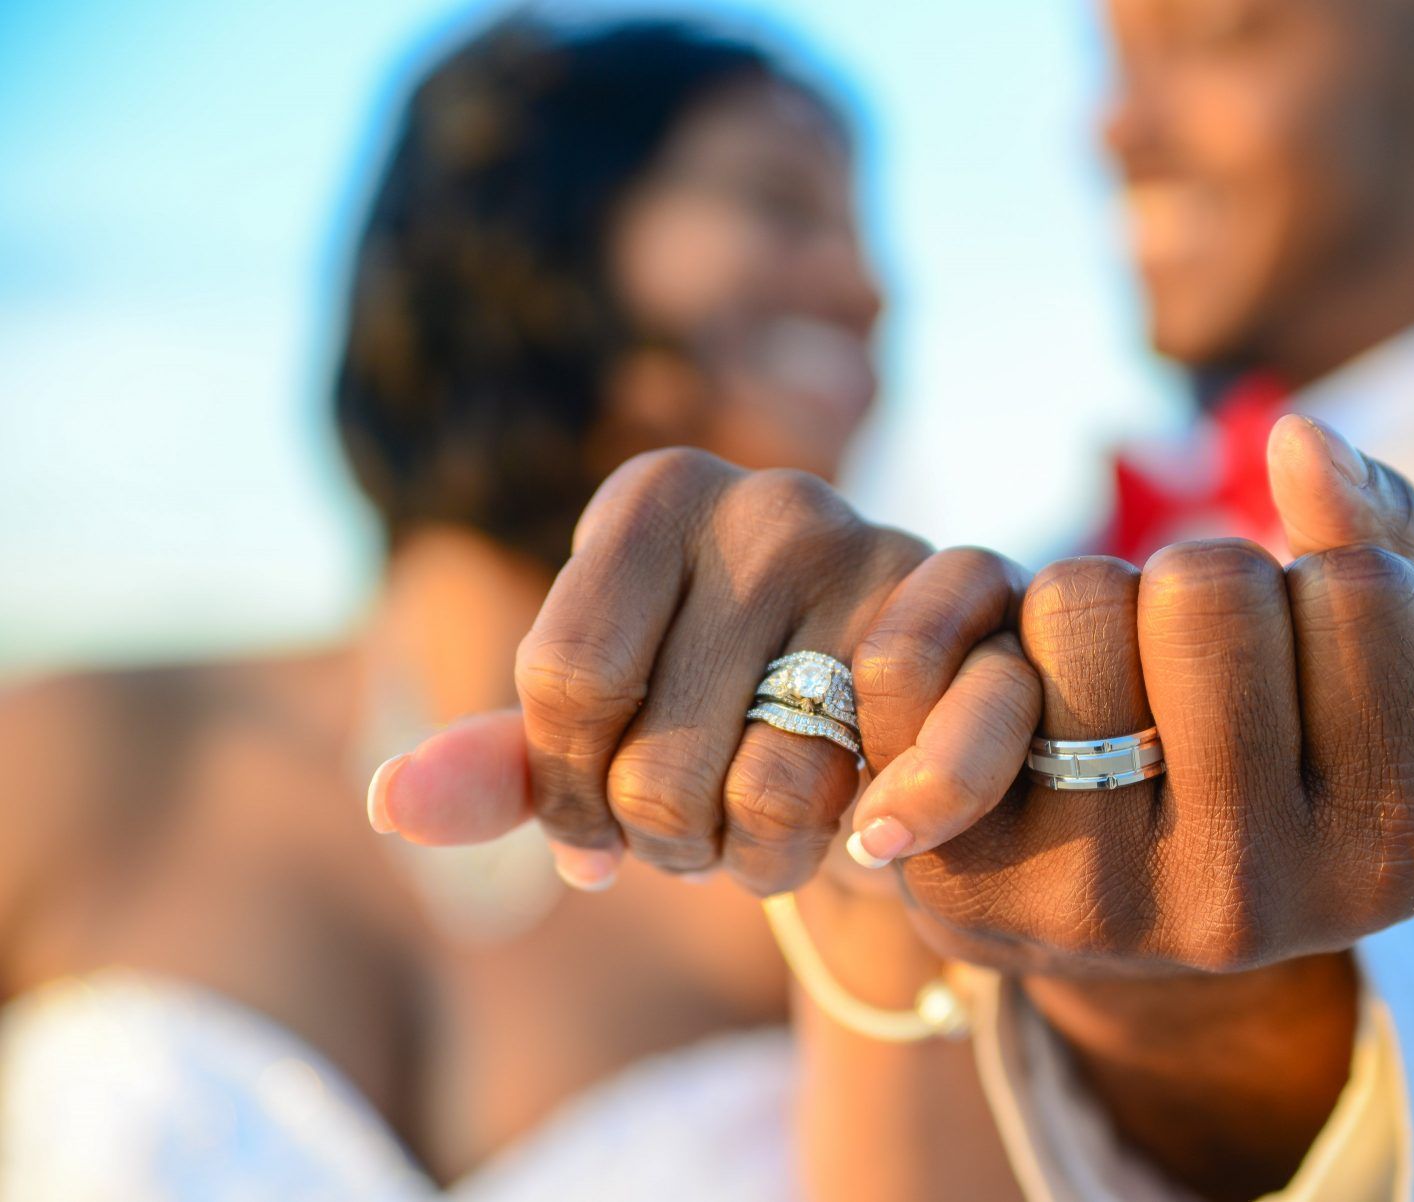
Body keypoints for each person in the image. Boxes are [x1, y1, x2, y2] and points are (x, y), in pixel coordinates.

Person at [376, 0, 1414, 1200]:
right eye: (1114, 56)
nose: (1113, 126)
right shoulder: (1007, 597)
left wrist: (1229, 1006)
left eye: (1213, 33)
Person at [0, 16, 904, 1198]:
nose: (870, 288)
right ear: (527, 227)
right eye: (784, 205)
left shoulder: (834, 839)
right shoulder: (80, 758)